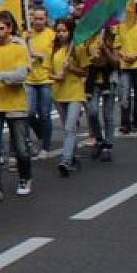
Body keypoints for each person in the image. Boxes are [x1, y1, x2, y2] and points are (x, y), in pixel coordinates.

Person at [0, 12, 32, 202]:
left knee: (21, 148)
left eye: (1, 28)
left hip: (15, 105)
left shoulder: (19, 48)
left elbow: (19, 77)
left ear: (10, 28)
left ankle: (25, 178)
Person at [49, 18, 89, 176]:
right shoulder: (55, 49)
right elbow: (49, 71)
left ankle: (65, 160)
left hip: (75, 92)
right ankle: (72, 157)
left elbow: (85, 72)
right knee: (67, 128)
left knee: (69, 127)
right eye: (58, 31)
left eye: (64, 31)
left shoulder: (77, 48)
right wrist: (54, 76)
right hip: (58, 93)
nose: (60, 34)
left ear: (70, 31)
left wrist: (71, 68)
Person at [23, 6, 55, 158]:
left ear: (46, 19)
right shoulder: (26, 34)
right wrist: (25, 41)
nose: (38, 21)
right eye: (35, 18)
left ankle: (45, 147)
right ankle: (42, 134)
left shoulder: (51, 35)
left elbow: (57, 54)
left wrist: (41, 56)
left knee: (44, 114)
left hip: (46, 78)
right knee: (29, 113)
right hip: (30, 79)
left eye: (41, 19)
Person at [114, 10, 137, 136]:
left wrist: (136, 55)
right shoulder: (120, 26)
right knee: (124, 94)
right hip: (125, 64)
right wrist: (123, 55)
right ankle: (125, 123)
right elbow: (116, 46)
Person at [85, 26, 119, 162]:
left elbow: (116, 62)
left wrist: (105, 48)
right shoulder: (87, 38)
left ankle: (108, 146)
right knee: (92, 111)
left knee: (107, 114)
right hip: (92, 81)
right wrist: (91, 58)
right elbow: (84, 60)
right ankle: (99, 139)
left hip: (109, 79)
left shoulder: (113, 37)